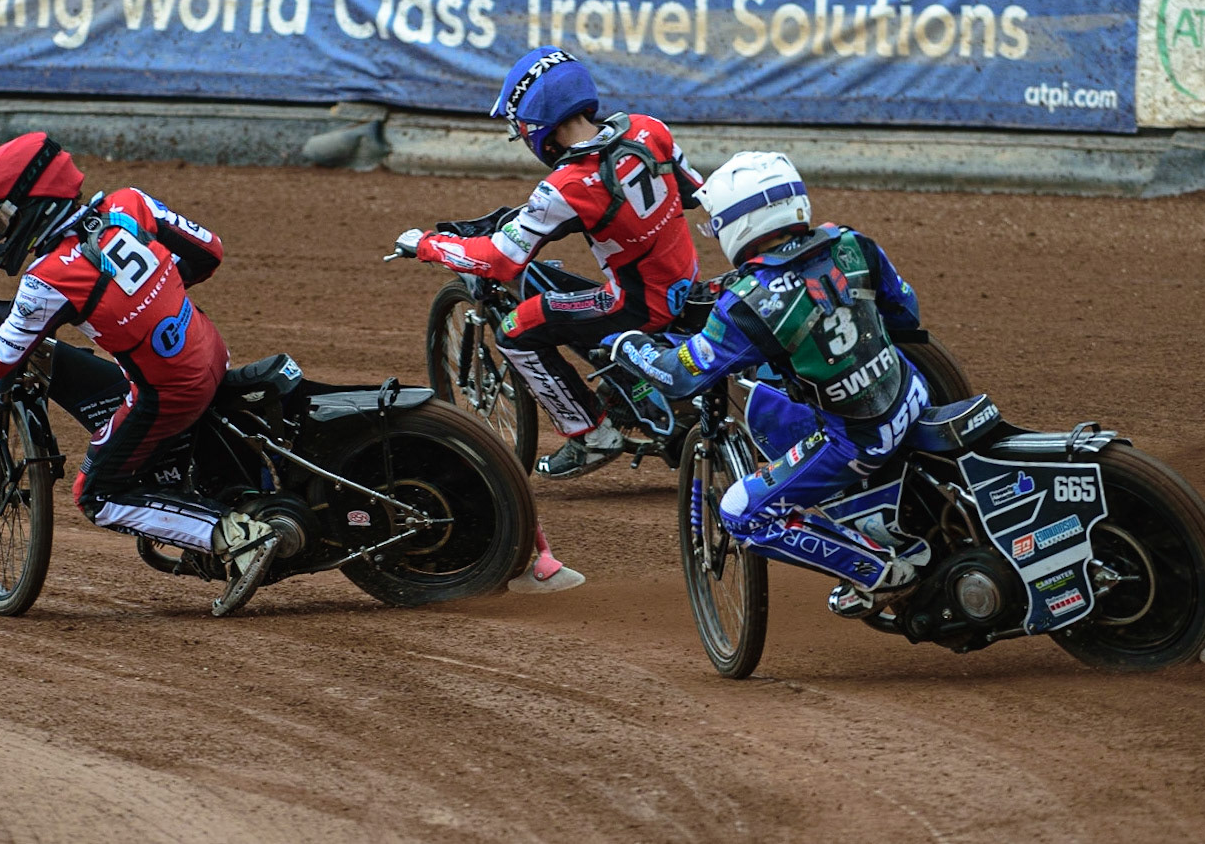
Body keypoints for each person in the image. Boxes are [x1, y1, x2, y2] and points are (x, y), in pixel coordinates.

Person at [0, 131, 278, 616]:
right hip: (211, 349)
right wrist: (156, 289)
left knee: (95, 495)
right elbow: (209, 252)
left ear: (32, 204)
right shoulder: (130, 204)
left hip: (170, 391)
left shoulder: (48, 278)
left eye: (0, 215)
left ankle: (234, 536)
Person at [609, 151, 933, 618]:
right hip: (912, 392)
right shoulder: (852, 243)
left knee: (742, 513)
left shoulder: (747, 304)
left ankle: (879, 572)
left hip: (859, 439)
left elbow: (681, 376)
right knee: (776, 402)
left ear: (741, 224)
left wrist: (629, 346)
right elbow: (905, 314)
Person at [394, 46, 705, 479]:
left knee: (517, 330)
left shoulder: (566, 184)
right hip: (686, 283)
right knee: (566, 288)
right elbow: (693, 191)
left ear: (535, 123)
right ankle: (629, 387)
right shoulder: (648, 128)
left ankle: (590, 435)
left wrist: (427, 244)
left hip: (638, 305)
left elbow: (501, 259)